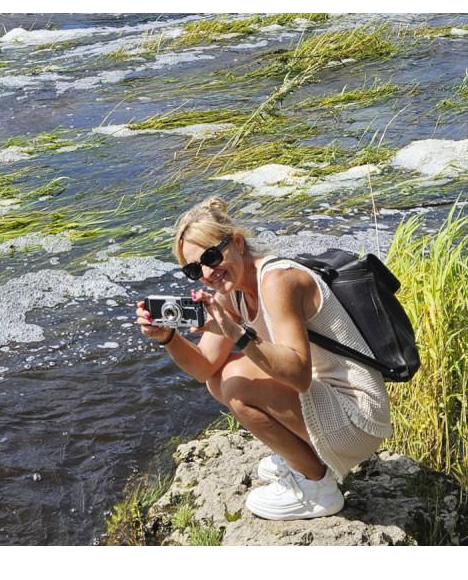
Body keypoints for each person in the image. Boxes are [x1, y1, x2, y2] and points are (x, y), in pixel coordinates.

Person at [135, 196, 393, 520]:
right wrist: (169, 337)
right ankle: (301, 455)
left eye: (211, 257)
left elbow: (298, 375)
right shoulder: (230, 292)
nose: (206, 272)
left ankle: (315, 485)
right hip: (327, 402)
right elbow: (204, 368)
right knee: (220, 378)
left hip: (358, 416)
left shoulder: (277, 280)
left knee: (235, 382)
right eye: (193, 268)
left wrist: (236, 333)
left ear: (238, 244)